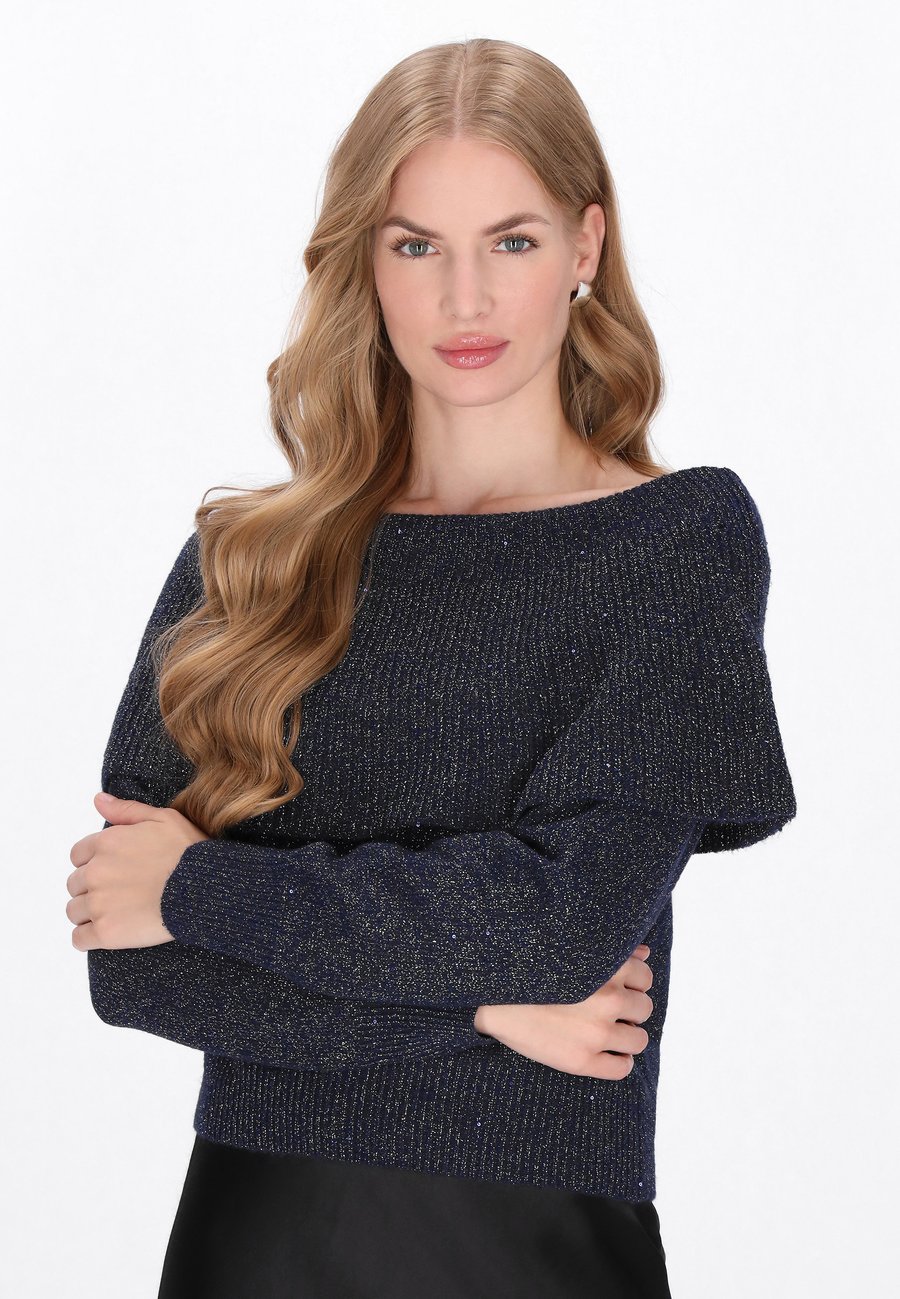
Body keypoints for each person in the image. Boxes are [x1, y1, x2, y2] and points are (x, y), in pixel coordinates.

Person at [67, 37, 797, 1299]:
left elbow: (563, 928)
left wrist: (203, 888)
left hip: (531, 1247)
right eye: (416, 246)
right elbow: (132, 965)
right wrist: (477, 1012)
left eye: (511, 241)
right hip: (253, 1243)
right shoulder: (247, 563)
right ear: (366, 261)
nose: (466, 301)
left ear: (585, 246)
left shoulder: (674, 546)